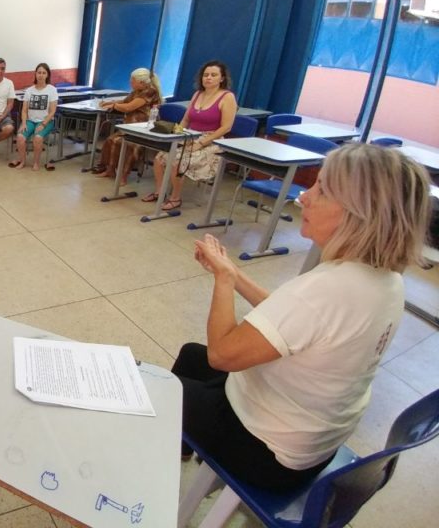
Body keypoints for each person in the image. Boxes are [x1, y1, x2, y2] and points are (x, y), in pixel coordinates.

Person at [175, 144, 431, 491]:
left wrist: (222, 280)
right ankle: (181, 445)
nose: (305, 197)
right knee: (192, 355)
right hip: (312, 442)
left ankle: (164, 454)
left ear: (360, 214)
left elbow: (222, 355)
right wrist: (233, 273)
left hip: (266, 453)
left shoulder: (326, 289)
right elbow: (287, 320)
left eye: (322, 190)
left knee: (155, 390)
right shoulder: (386, 280)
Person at [150, 61, 237, 210]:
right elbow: (186, 120)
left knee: (177, 162)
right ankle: (159, 192)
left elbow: (226, 127)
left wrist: (201, 143)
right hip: (190, 136)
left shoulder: (227, 97)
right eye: (206, 75)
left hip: (212, 140)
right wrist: (176, 135)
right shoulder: (198, 94)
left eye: (213, 75)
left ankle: (175, 198)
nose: (208, 78)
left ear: (222, 78)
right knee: (160, 157)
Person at [97, 68, 163, 184]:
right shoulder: (136, 91)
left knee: (130, 146)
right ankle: (110, 170)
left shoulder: (150, 92)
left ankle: (124, 175)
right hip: (130, 126)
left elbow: (129, 107)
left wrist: (114, 106)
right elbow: (125, 102)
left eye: (132, 81)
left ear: (141, 82)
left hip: (143, 128)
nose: (130, 83)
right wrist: (110, 103)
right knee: (111, 140)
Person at [11, 63, 58, 171]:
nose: (41, 75)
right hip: (30, 121)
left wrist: (43, 124)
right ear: (35, 74)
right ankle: (22, 161)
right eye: (39, 72)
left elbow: (52, 111)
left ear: (47, 75)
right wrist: (23, 123)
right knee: (20, 137)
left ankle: (36, 163)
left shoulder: (52, 90)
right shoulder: (29, 91)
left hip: (46, 121)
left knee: (38, 138)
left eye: (44, 73)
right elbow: (24, 110)